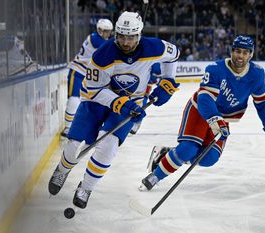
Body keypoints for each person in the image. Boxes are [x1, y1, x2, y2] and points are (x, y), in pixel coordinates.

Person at [48, 11, 180, 209]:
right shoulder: (102, 55)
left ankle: (86, 186)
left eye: (131, 37)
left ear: (139, 35)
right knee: (74, 143)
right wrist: (121, 102)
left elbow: (174, 54)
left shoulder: (155, 47)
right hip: (97, 100)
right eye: (122, 37)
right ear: (116, 34)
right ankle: (62, 169)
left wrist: (168, 80)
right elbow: (93, 91)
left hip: (130, 103)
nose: (126, 42)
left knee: (109, 146)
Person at [139, 35, 265, 191]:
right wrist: (216, 120)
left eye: (244, 52)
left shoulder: (257, 74)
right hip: (200, 111)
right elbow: (205, 99)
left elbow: (263, 103)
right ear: (231, 51)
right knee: (188, 149)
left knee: (209, 158)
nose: (240, 56)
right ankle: (155, 176)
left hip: (223, 118)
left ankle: (166, 154)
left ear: (251, 54)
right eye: (237, 51)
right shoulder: (215, 69)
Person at [61, 18, 113, 137]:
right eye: (105, 31)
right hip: (78, 71)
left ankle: (84, 125)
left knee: (90, 100)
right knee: (74, 99)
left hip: (89, 75)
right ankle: (68, 127)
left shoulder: (99, 38)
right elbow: (109, 49)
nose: (107, 34)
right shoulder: (95, 39)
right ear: (99, 30)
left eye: (109, 31)